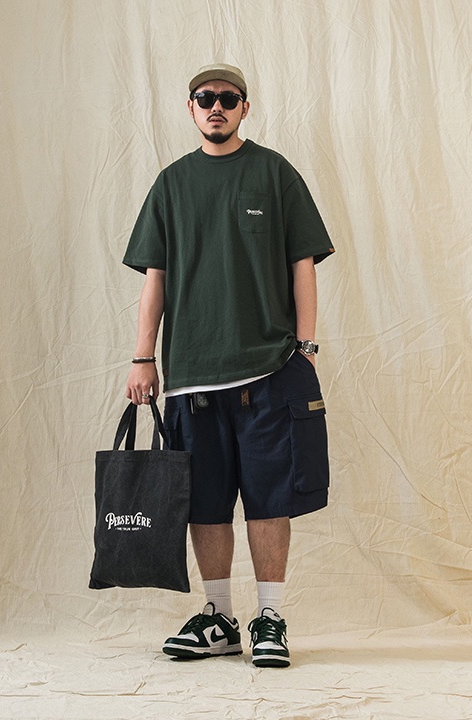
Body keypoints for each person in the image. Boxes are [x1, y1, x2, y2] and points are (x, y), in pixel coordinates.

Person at [123, 63, 334, 668]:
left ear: (245, 107)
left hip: (269, 368)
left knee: (270, 498)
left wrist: (307, 347)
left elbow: (302, 262)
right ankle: (219, 619)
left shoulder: (274, 173)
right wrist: (143, 357)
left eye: (228, 97)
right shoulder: (171, 184)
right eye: (204, 98)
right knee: (205, 503)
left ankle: (271, 618)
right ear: (190, 108)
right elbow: (156, 277)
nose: (216, 106)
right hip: (192, 376)